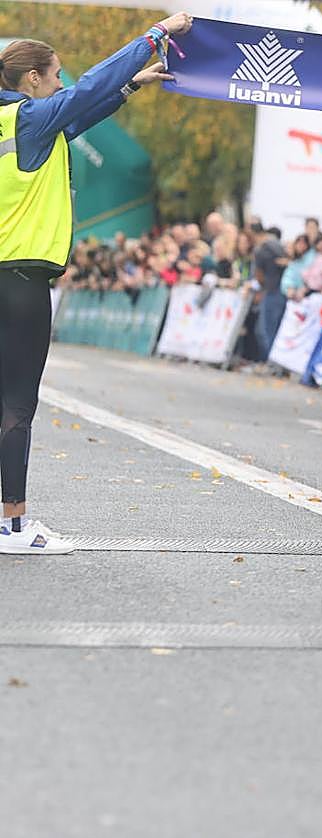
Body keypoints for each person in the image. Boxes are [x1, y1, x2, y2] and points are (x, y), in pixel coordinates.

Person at [0, 11, 192, 555]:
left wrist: (131, 84)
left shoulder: (16, 124)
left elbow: (82, 108)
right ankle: (13, 527)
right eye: (55, 74)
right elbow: (87, 90)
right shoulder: (34, 121)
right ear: (32, 79)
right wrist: (155, 35)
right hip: (20, 279)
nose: (61, 82)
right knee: (16, 406)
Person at [251, 222, 287, 356]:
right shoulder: (277, 245)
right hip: (281, 290)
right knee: (274, 328)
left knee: (265, 330)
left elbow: (259, 274)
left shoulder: (261, 249)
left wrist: (260, 288)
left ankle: (272, 360)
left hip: (270, 291)